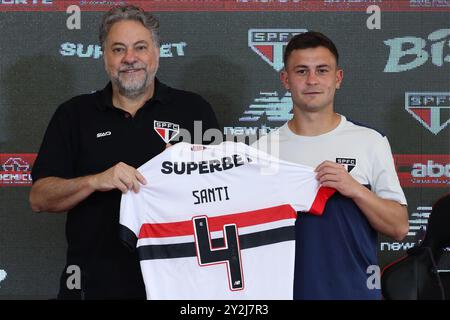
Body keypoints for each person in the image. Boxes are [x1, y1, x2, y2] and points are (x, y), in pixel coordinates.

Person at [29, 5, 219, 300]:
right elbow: (39, 198)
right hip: (92, 286)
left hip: (179, 283)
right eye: (118, 49)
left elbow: (223, 196)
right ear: (104, 56)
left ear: (156, 53)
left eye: (140, 47)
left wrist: (190, 171)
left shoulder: (193, 110)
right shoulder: (73, 114)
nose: (130, 58)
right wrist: (95, 181)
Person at [253, 31, 409, 299]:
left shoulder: (370, 142)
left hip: (354, 292)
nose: (312, 80)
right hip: (283, 292)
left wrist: (355, 189)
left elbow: (399, 228)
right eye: (301, 71)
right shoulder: (261, 151)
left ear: (337, 79)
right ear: (285, 80)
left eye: (321, 70)